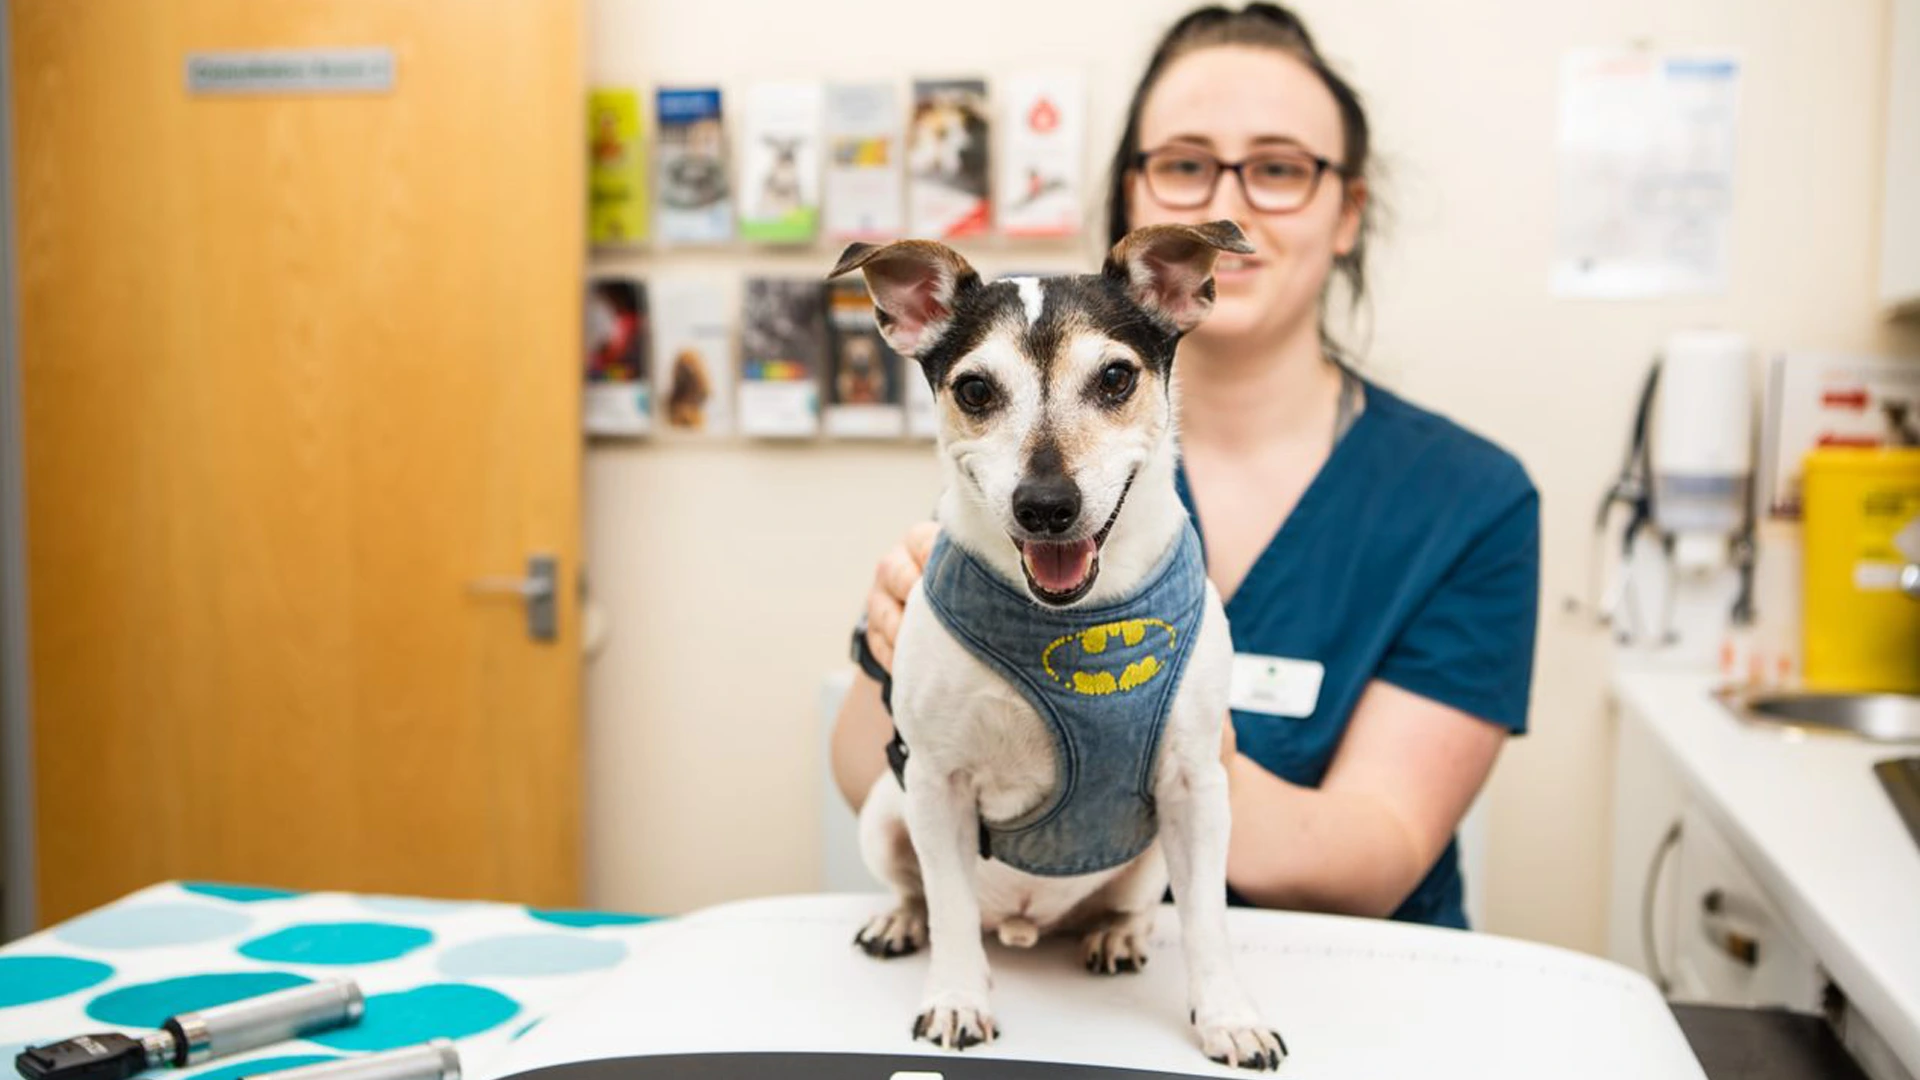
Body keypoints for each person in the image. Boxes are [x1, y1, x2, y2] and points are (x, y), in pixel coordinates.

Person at [831, 2, 1539, 930]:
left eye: (1281, 168)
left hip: (1349, 985)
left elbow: (1372, 859)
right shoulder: (1016, 454)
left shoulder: (1468, 501)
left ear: (1348, 212)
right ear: (1133, 199)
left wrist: (1160, 743)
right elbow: (863, 765)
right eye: (1185, 164)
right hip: (1060, 974)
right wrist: (902, 662)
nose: (1231, 203)